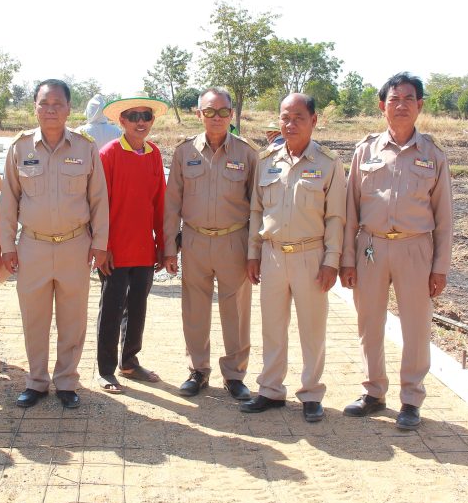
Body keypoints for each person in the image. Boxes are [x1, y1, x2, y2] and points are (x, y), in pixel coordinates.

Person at [339, 72, 453, 430]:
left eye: (408, 99)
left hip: (415, 248)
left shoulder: (433, 154)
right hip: (370, 247)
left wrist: (440, 267)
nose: (401, 105)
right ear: (382, 106)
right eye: (394, 99)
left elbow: (445, 217)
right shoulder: (365, 151)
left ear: (420, 106)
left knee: (416, 327)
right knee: (369, 322)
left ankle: (411, 399)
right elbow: (349, 210)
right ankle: (373, 392)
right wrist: (346, 259)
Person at [0, 79, 109, 409]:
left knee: (72, 319)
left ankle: (66, 381)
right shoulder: (20, 147)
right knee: (34, 318)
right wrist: (7, 246)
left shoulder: (85, 147)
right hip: (32, 246)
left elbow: (99, 199)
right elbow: (8, 201)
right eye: (44, 103)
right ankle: (36, 381)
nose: (51, 110)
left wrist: (100, 243)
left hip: (75, 245)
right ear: (35, 107)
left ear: (68, 109)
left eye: (57, 104)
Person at [243, 94, 346, 422]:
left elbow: (336, 217)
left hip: (310, 256)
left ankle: (311, 393)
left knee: (312, 329)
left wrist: (331, 261)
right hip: (272, 254)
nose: (291, 124)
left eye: (299, 117)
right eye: (285, 117)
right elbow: (256, 211)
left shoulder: (328, 163)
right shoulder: (266, 160)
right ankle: (271, 389)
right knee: (272, 327)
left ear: (314, 121)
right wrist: (253, 254)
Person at [163, 88, 257, 401]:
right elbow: (172, 204)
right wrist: (169, 248)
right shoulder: (184, 152)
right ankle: (198, 371)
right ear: (198, 114)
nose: (216, 118)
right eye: (209, 111)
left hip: (234, 240)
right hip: (195, 240)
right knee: (195, 309)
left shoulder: (247, 153)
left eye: (223, 111)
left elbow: (258, 206)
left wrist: (254, 251)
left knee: (236, 311)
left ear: (231, 114)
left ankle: (235, 375)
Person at [94, 89, 168, 394]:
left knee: (137, 308)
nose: (141, 122)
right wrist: (103, 246)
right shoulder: (109, 153)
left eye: (146, 116)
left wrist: (163, 244)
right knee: (111, 309)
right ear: (122, 121)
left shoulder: (154, 154)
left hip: (144, 249)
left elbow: (160, 202)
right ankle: (105, 370)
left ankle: (129, 362)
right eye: (133, 116)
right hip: (115, 250)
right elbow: (99, 204)